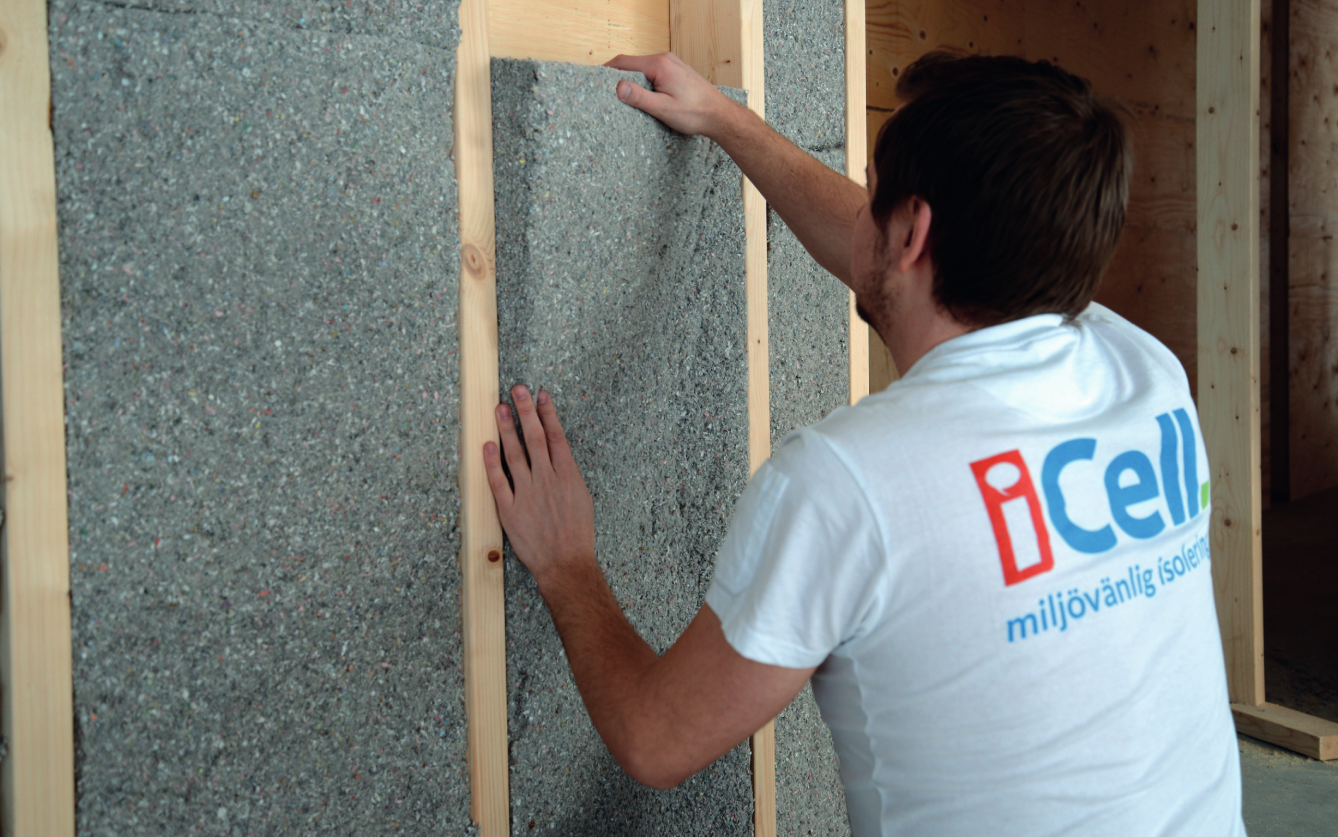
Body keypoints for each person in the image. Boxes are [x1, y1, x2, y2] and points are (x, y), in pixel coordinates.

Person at [482, 50, 1247, 837]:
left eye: (870, 192)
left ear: (912, 232)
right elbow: (892, 252)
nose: (859, 212)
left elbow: (657, 739)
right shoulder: (1145, 371)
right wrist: (727, 122)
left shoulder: (848, 484)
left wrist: (567, 563)